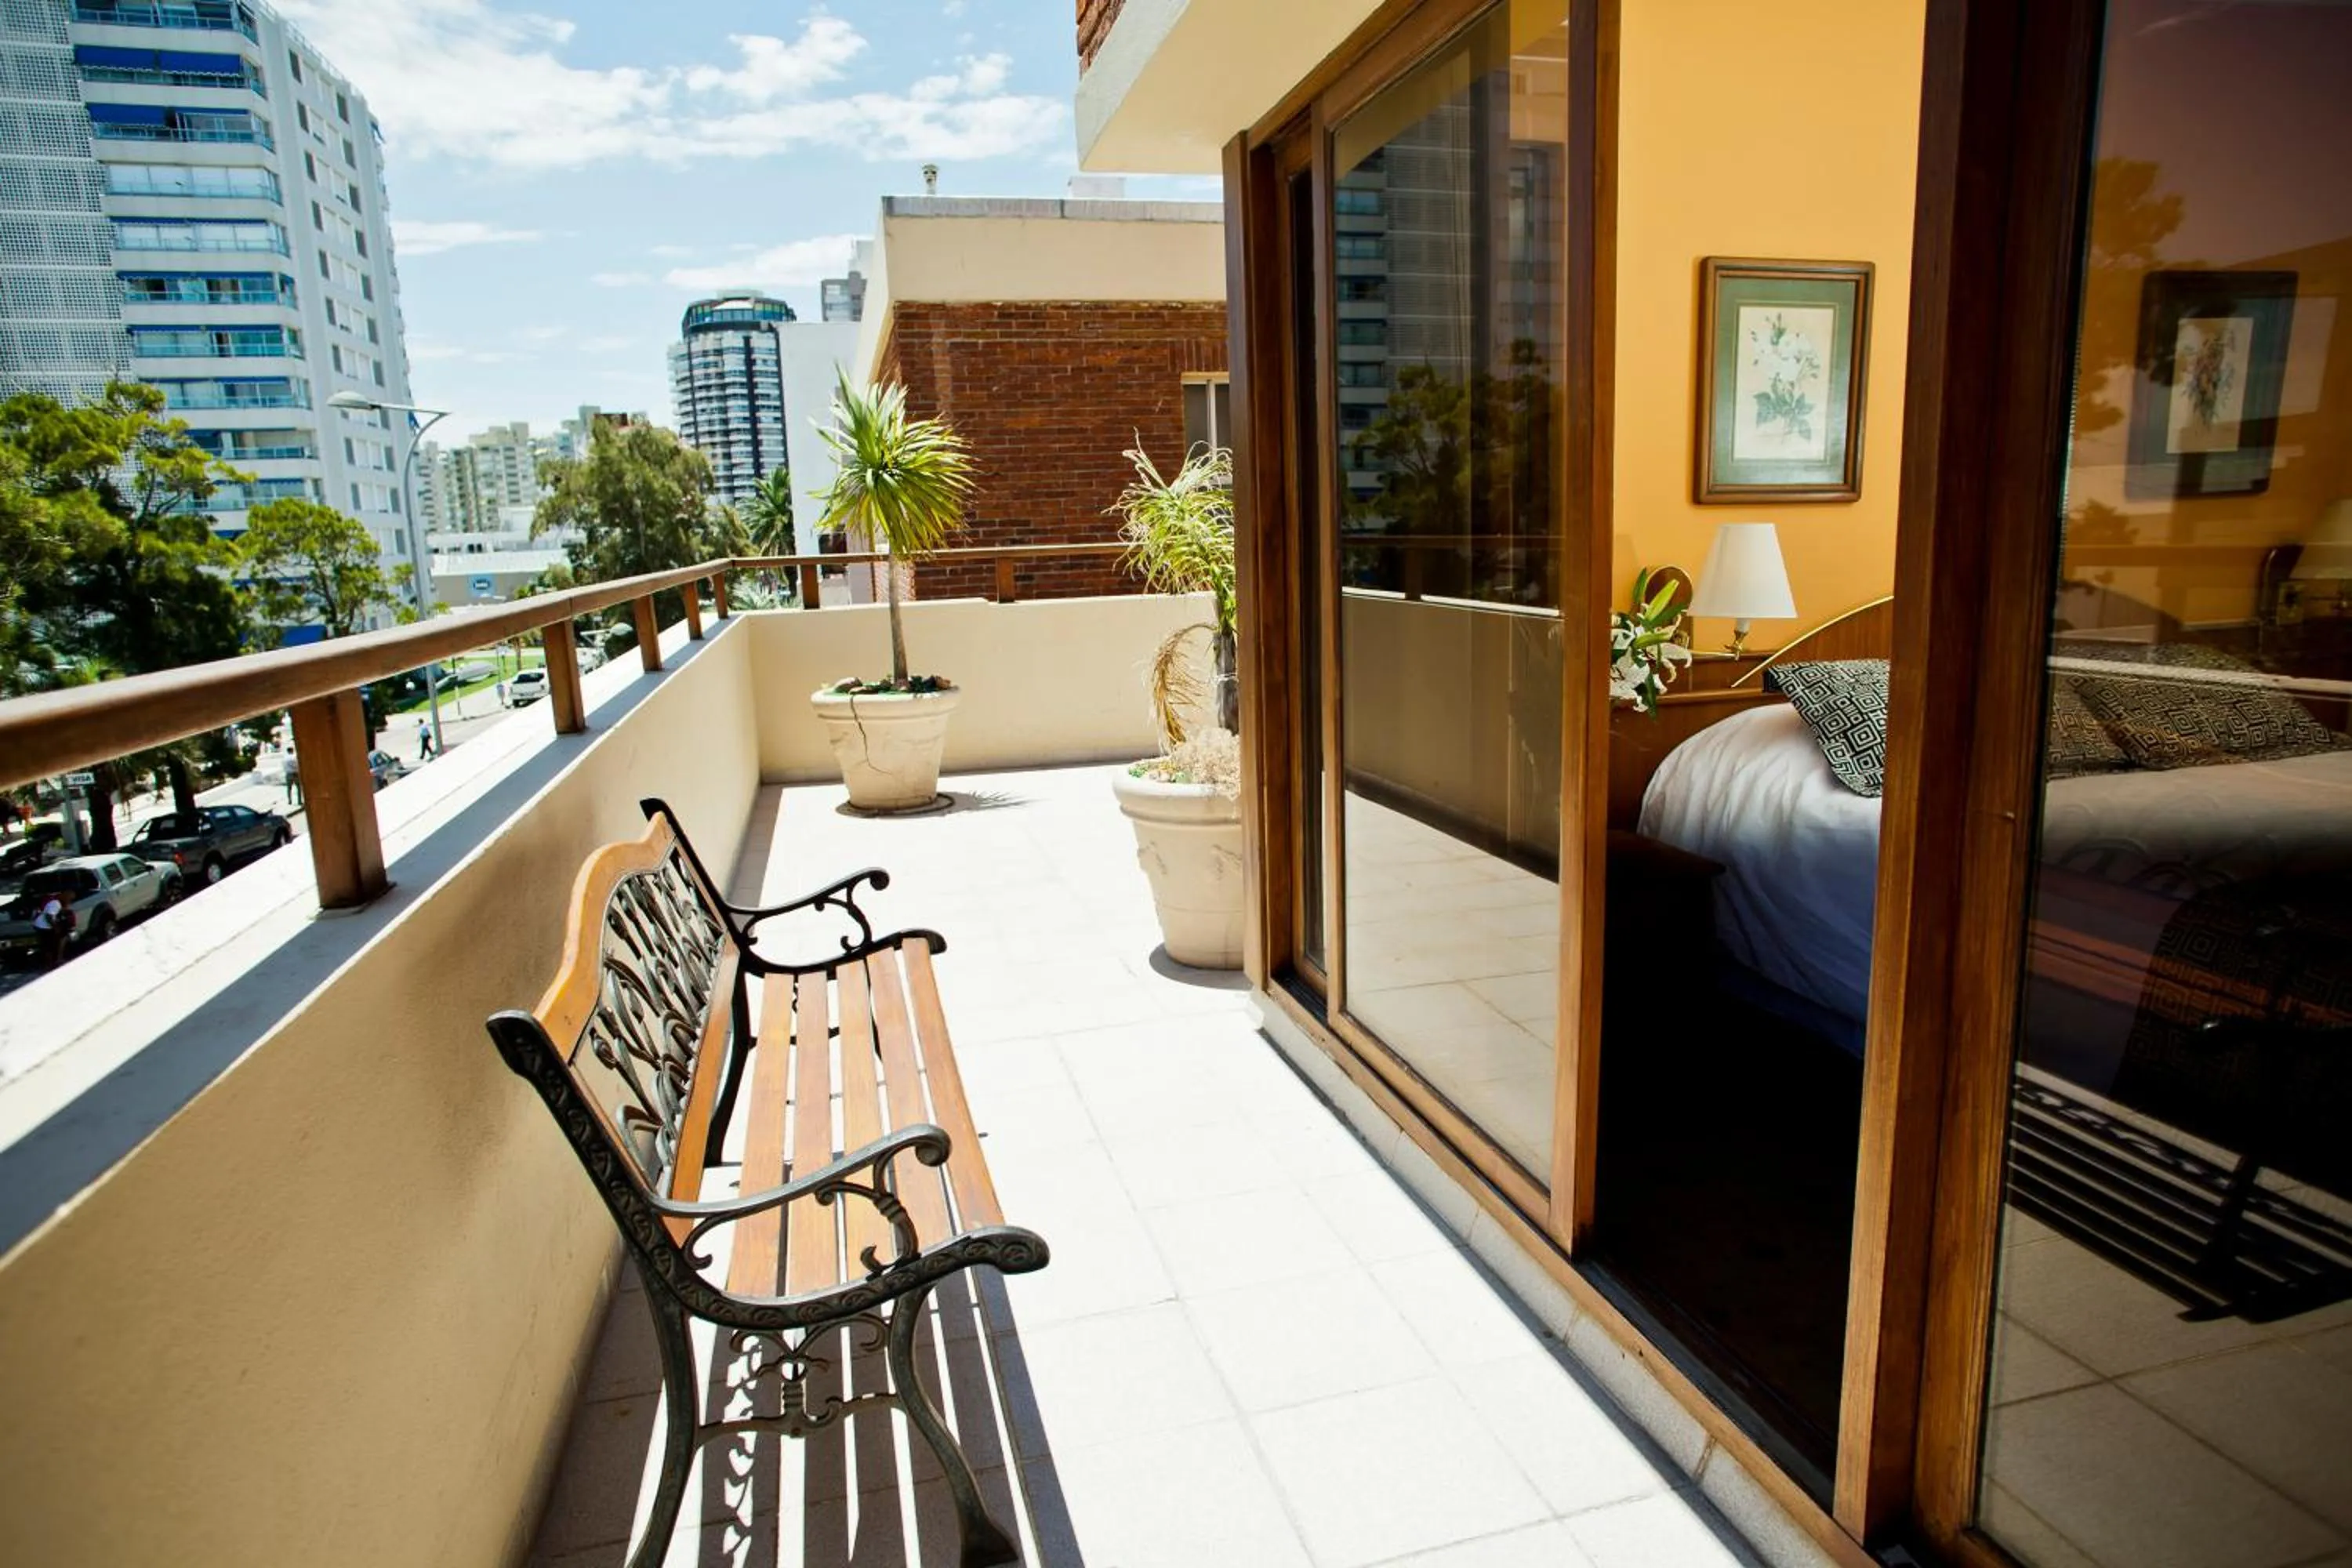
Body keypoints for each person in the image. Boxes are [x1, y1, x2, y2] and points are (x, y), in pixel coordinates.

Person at [31, 890, 73, 969]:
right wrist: (56, 927)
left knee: (49, 945)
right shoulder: (55, 903)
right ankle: (51, 964)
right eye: (69, 898)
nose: (70, 900)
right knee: (48, 945)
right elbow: (49, 917)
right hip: (44, 927)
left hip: (43, 925)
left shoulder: (56, 902)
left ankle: (53, 962)